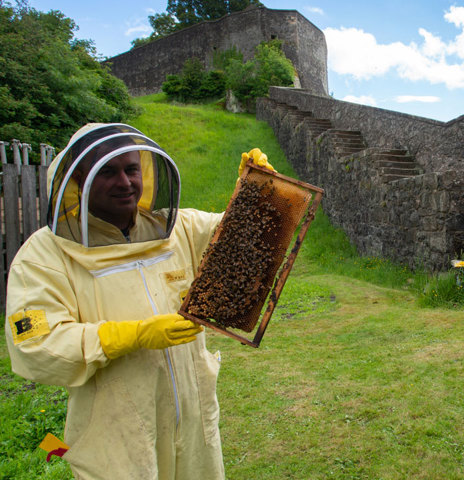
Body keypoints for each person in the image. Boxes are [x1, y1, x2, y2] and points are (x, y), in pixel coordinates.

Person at [4, 123, 273, 479]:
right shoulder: (43, 255)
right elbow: (34, 342)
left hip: (194, 423)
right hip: (116, 435)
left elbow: (243, 236)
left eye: (132, 169)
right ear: (80, 178)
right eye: (107, 172)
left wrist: (254, 193)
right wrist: (128, 336)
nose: (125, 182)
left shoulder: (178, 229)